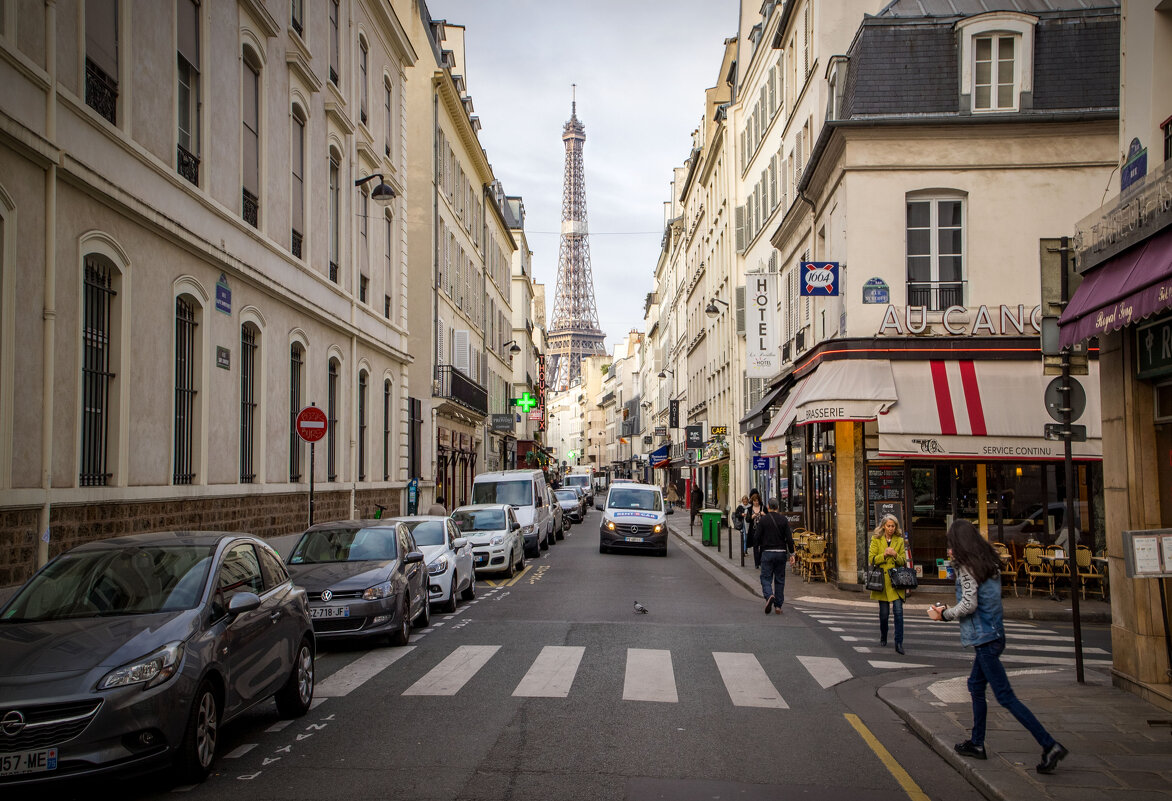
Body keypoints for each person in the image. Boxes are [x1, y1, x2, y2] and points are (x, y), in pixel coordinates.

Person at [928, 519, 1069, 774]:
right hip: (995, 634)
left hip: (984, 639)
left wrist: (944, 614)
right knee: (975, 686)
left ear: (960, 544)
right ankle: (977, 743)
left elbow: (969, 604)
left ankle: (1049, 744)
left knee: (1005, 696)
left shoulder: (967, 568)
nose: (949, 550)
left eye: (951, 545)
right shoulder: (988, 563)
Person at [868, 514, 908, 655]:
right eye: (889, 526)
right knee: (884, 614)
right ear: (884, 526)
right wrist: (884, 555)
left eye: (893, 526)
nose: (891, 528)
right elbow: (871, 559)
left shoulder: (899, 540)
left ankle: (899, 643)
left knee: (898, 613)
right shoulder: (876, 539)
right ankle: (883, 635)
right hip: (882, 584)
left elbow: (903, 560)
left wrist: (895, 555)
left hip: (896, 582)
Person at [757, 499, 795, 614]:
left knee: (765, 577)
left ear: (768, 507)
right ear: (777, 507)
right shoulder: (783, 520)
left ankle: (769, 595)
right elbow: (789, 538)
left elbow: (756, 537)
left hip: (767, 552)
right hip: (781, 553)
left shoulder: (763, 520)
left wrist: (761, 546)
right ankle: (778, 606)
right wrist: (792, 554)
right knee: (779, 579)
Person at [748, 494, 765, 568]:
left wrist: (764, 514)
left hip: (762, 530)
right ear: (752, 501)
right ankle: (756, 563)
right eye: (755, 501)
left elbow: (768, 517)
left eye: (757, 501)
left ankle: (760, 561)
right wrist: (752, 516)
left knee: (762, 546)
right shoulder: (749, 509)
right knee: (755, 546)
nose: (756, 502)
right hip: (753, 530)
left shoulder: (763, 508)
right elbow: (747, 519)